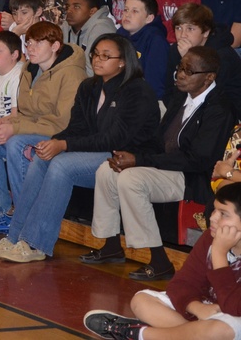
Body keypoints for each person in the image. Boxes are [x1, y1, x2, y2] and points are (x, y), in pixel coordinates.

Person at [0, 34, 158, 264]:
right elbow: (75, 128)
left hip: (126, 157)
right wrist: (53, 142)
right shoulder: (89, 87)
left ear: (123, 61)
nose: (97, 60)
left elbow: (114, 139)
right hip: (96, 152)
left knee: (62, 165)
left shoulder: (137, 91)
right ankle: (14, 237)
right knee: (43, 157)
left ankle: (35, 243)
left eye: (106, 56)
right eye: (95, 54)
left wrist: (63, 145)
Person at [88, 46, 234, 282]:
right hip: (166, 166)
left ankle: (159, 260)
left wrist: (140, 161)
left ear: (209, 77)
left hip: (191, 176)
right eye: (180, 68)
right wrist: (131, 155)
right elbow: (158, 142)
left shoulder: (219, 108)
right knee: (108, 169)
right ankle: (111, 244)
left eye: (189, 70)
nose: (181, 74)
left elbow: (198, 159)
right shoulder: (180, 98)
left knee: (130, 179)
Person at [0, 21, 87, 236]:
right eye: (29, 42)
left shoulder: (72, 74)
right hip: (35, 128)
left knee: (15, 143)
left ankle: (27, 220)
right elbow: (25, 112)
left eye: (38, 43)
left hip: (62, 135)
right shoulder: (30, 69)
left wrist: (16, 128)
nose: (30, 48)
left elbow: (62, 123)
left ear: (54, 46)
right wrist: (7, 122)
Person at [83, 183, 241, 340]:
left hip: (231, 318)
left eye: (223, 214)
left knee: (222, 330)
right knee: (141, 301)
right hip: (208, 313)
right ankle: (191, 335)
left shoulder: (216, 244)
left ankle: (138, 334)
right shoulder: (210, 237)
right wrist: (197, 308)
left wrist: (219, 254)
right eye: (214, 210)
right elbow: (181, 284)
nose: (212, 217)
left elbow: (234, 308)